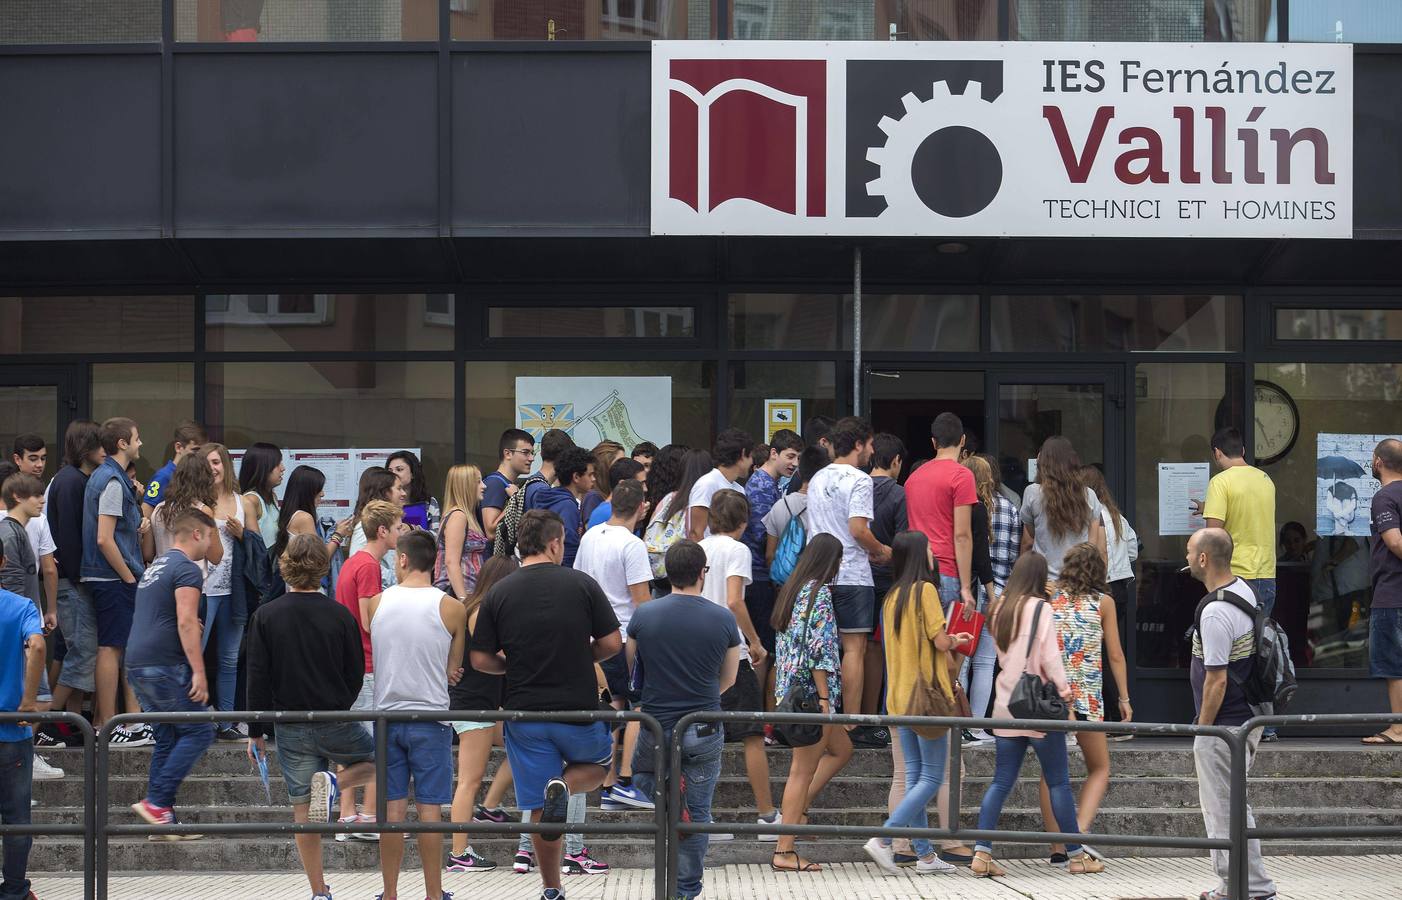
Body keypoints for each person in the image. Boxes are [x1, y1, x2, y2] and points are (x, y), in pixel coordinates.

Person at [470, 510, 622, 900]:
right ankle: (567, 785)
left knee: (539, 805)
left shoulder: (500, 592)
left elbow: (480, 659)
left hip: (525, 711)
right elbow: (611, 644)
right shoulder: (582, 585)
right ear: (555, 543)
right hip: (578, 709)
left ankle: (552, 888)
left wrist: (513, 664)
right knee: (599, 766)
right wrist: (578, 655)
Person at [246, 534, 377, 900]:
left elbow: (257, 677)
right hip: (334, 715)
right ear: (322, 567)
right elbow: (355, 672)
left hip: (289, 722)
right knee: (382, 761)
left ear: (286, 565)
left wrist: (256, 730)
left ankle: (319, 889)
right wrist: (339, 702)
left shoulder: (266, 616)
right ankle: (338, 782)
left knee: (302, 810)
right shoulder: (339, 615)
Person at [626, 540, 741, 900]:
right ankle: (686, 891)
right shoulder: (723, 618)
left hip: (657, 724)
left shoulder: (644, 615)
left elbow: (633, 666)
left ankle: (672, 800)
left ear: (667, 573)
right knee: (699, 812)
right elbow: (731, 677)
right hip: (702, 723)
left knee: (643, 776)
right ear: (702, 573)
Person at [973, 552, 1101, 876]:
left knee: (1001, 781)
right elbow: (1050, 656)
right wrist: (1065, 691)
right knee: (1058, 782)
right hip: (1039, 706)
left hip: (1006, 703)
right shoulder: (1041, 608)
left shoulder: (998, 607)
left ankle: (981, 853)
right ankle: (1076, 856)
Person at [862, 530, 971, 877]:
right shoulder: (925, 590)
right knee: (932, 775)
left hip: (898, 699)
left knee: (913, 777)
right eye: (930, 549)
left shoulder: (892, 596)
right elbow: (939, 642)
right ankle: (884, 838)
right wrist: (958, 637)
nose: (934, 555)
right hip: (926, 700)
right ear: (920, 556)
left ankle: (924, 856)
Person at [366, 529, 468, 900]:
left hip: (387, 718)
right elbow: (453, 670)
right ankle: (434, 893)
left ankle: (389, 892)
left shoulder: (376, 603)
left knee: (391, 812)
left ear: (403, 559)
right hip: (431, 718)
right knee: (430, 810)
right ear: (435, 561)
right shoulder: (452, 607)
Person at [1185, 528, 1277, 899]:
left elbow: (1216, 681)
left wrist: (1203, 730)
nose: (1187, 557)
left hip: (1226, 726)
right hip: (1246, 718)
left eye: (1191, 551)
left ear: (1205, 558)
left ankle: (1245, 889)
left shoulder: (1215, 611)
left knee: (1221, 811)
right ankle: (1245, 885)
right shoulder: (1244, 591)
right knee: (1234, 806)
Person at [124, 507, 217, 838]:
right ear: (196, 534)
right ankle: (158, 803)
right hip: (163, 664)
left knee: (167, 736)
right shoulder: (187, 570)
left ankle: (162, 818)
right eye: (209, 536)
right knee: (200, 730)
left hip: (137, 662)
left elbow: (163, 615)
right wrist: (199, 672)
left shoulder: (157, 566)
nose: (210, 544)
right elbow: (185, 620)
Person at [1039, 542, 1130, 866]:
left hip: (1052, 695)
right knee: (1100, 768)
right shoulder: (1104, 602)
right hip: (1088, 695)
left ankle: (1057, 849)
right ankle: (1078, 831)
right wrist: (1124, 698)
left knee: (1050, 775)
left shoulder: (1050, 600)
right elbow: (1116, 654)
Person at [802, 417, 889, 749]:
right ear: (857, 444)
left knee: (821, 646)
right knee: (854, 648)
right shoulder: (860, 480)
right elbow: (857, 529)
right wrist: (882, 550)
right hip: (852, 572)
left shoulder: (817, 476)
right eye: (869, 445)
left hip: (817, 573)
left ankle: (824, 715)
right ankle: (850, 722)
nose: (871, 451)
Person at [769, 534, 852, 872]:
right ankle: (785, 849)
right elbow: (819, 652)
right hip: (811, 699)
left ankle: (796, 814)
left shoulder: (793, 590)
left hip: (789, 693)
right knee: (800, 771)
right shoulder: (819, 595)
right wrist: (824, 699)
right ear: (830, 562)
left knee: (842, 750)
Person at [699, 489, 779, 839]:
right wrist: (755, 641)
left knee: (703, 735)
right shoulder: (738, 550)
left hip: (697, 652)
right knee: (752, 736)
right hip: (731, 652)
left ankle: (703, 817)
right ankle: (766, 816)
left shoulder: (698, 549)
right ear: (743, 522)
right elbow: (734, 600)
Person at [574, 480, 653, 811]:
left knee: (610, 705)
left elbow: (578, 581)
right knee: (637, 706)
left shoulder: (590, 535)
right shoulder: (632, 545)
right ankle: (623, 780)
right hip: (622, 636)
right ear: (641, 508)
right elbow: (642, 602)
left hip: (591, 635)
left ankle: (608, 783)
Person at [333, 499, 402, 838]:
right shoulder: (370, 566)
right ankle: (370, 816)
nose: (401, 532)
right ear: (383, 530)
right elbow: (368, 618)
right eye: (398, 526)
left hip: (352, 665)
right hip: (369, 664)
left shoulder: (351, 562)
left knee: (353, 744)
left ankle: (347, 816)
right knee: (377, 745)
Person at [446, 556, 519, 873]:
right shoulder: (479, 613)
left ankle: (490, 807)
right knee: (469, 781)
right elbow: (498, 653)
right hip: (474, 705)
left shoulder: (475, 607)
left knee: (522, 746)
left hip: (484, 703)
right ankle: (459, 853)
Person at [82, 417, 153, 746]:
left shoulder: (109, 478)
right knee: (111, 647)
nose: (140, 444)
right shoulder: (111, 480)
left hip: (110, 575)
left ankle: (123, 722)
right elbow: (104, 539)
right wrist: (128, 577)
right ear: (122, 443)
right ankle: (112, 725)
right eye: (137, 438)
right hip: (112, 576)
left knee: (118, 645)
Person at [42, 420, 104, 743]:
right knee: (81, 652)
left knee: (77, 653)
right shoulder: (71, 482)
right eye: (101, 445)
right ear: (87, 448)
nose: (106, 452)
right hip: (73, 581)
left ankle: (75, 722)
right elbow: (68, 537)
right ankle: (43, 723)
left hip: (73, 580)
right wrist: (85, 575)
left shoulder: (76, 479)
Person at [742, 428, 802, 703]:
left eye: (798, 459)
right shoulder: (763, 486)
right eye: (790, 456)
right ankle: (757, 712)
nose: (794, 464)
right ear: (773, 453)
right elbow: (763, 538)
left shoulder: (769, 484)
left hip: (759, 576)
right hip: (760, 576)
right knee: (762, 649)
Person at [0, 554, 45, 900]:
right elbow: (38, 645)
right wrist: (29, 700)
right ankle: (15, 890)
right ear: (2, 562)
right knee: (17, 820)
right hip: (12, 730)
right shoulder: (20, 606)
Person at [1080, 465, 1137, 729]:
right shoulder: (1117, 516)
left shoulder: (1089, 516)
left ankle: (1111, 717)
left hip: (1101, 588)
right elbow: (1134, 550)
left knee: (1099, 654)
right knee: (1111, 650)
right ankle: (1115, 715)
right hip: (1121, 586)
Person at [906, 413, 978, 612]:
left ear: (933, 442)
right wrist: (965, 587)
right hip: (945, 571)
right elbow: (962, 536)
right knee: (946, 640)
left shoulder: (913, 478)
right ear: (962, 440)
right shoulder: (962, 476)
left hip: (914, 574)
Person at [198, 443, 247, 738]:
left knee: (229, 658)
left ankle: (226, 722)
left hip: (233, 587)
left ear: (226, 465)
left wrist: (243, 534)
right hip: (202, 588)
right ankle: (190, 720)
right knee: (194, 654)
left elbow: (256, 543)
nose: (213, 469)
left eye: (217, 462)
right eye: (207, 464)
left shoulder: (242, 501)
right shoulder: (197, 501)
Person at [958, 454, 1002, 744]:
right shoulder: (1009, 509)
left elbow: (977, 556)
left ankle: (960, 724)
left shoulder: (963, 508)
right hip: (991, 589)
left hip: (970, 588)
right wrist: (994, 592)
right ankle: (975, 724)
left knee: (960, 661)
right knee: (986, 662)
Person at [1021, 436, 1106, 578]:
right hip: (1078, 581)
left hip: (1044, 582)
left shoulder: (1033, 492)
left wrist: (1022, 578)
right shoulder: (1089, 495)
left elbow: (1028, 542)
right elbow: (1093, 545)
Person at [1364, 438, 1402, 746]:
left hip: (1393, 592)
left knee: (1394, 664)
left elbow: (1394, 542)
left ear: (1378, 462)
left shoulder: (1384, 497)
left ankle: (1398, 728)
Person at [272, 465, 355, 568]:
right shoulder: (304, 518)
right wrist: (338, 535)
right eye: (319, 489)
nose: (322, 494)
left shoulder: (290, 514)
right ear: (307, 491)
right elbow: (319, 560)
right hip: (302, 582)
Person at [762, 446, 828, 569]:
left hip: (785, 584)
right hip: (816, 582)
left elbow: (770, 555)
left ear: (799, 472)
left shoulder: (779, 506)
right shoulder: (829, 507)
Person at [530, 445, 594, 568]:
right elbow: (568, 549)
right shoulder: (567, 506)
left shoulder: (549, 498)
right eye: (590, 474)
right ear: (576, 477)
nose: (594, 479)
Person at [687, 429, 755, 542]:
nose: (752, 462)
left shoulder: (740, 490)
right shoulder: (707, 484)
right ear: (743, 454)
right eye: (751, 456)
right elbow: (695, 532)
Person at [434, 464, 488, 603]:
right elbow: (451, 562)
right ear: (466, 486)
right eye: (478, 482)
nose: (484, 486)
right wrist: (464, 601)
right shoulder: (458, 516)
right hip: (459, 595)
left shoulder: (464, 515)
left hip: (467, 593)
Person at [346, 467, 407, 589]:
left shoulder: (383, 522)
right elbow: (359, 564)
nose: (404, 493)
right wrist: (402, 575)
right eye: (399, 488)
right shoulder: (366, 526)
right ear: (385, 492)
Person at [140, 420, 207, 519]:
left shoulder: (198, 475)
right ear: (178, 447)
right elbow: (145, 516)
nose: (200, 455)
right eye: (195, 450)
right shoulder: (163, 477)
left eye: (203, 451)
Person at [482, 429, 535, 541]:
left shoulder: (506, 484)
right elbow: (491, 532)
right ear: (507, 454)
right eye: (525, 452)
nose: (531, 458)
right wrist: (515, 499)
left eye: (532, 453)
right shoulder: (494, 483)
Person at [237, 442, 285, 547]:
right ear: (263, 468)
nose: (282, 468)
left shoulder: (271, 496)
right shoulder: (251, 500)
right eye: (277, 464)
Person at [586, 458, 646, 531]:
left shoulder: (617, 510)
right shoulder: (608, 513)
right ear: (622, 484)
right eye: (640, 484)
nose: (645, 489)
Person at [388, 449, 440, 532]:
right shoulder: (383, 501)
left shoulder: (428, 501)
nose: (393, 474)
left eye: (399, 469)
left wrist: (412, 528)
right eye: (390, 470)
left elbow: (435, 535)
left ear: (413, 474)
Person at [580, 441, 625, 527]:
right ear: (605, 466)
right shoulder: (593, 497)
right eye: (619, 463)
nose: (623, 466)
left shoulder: (610, 494)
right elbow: (593, 532)